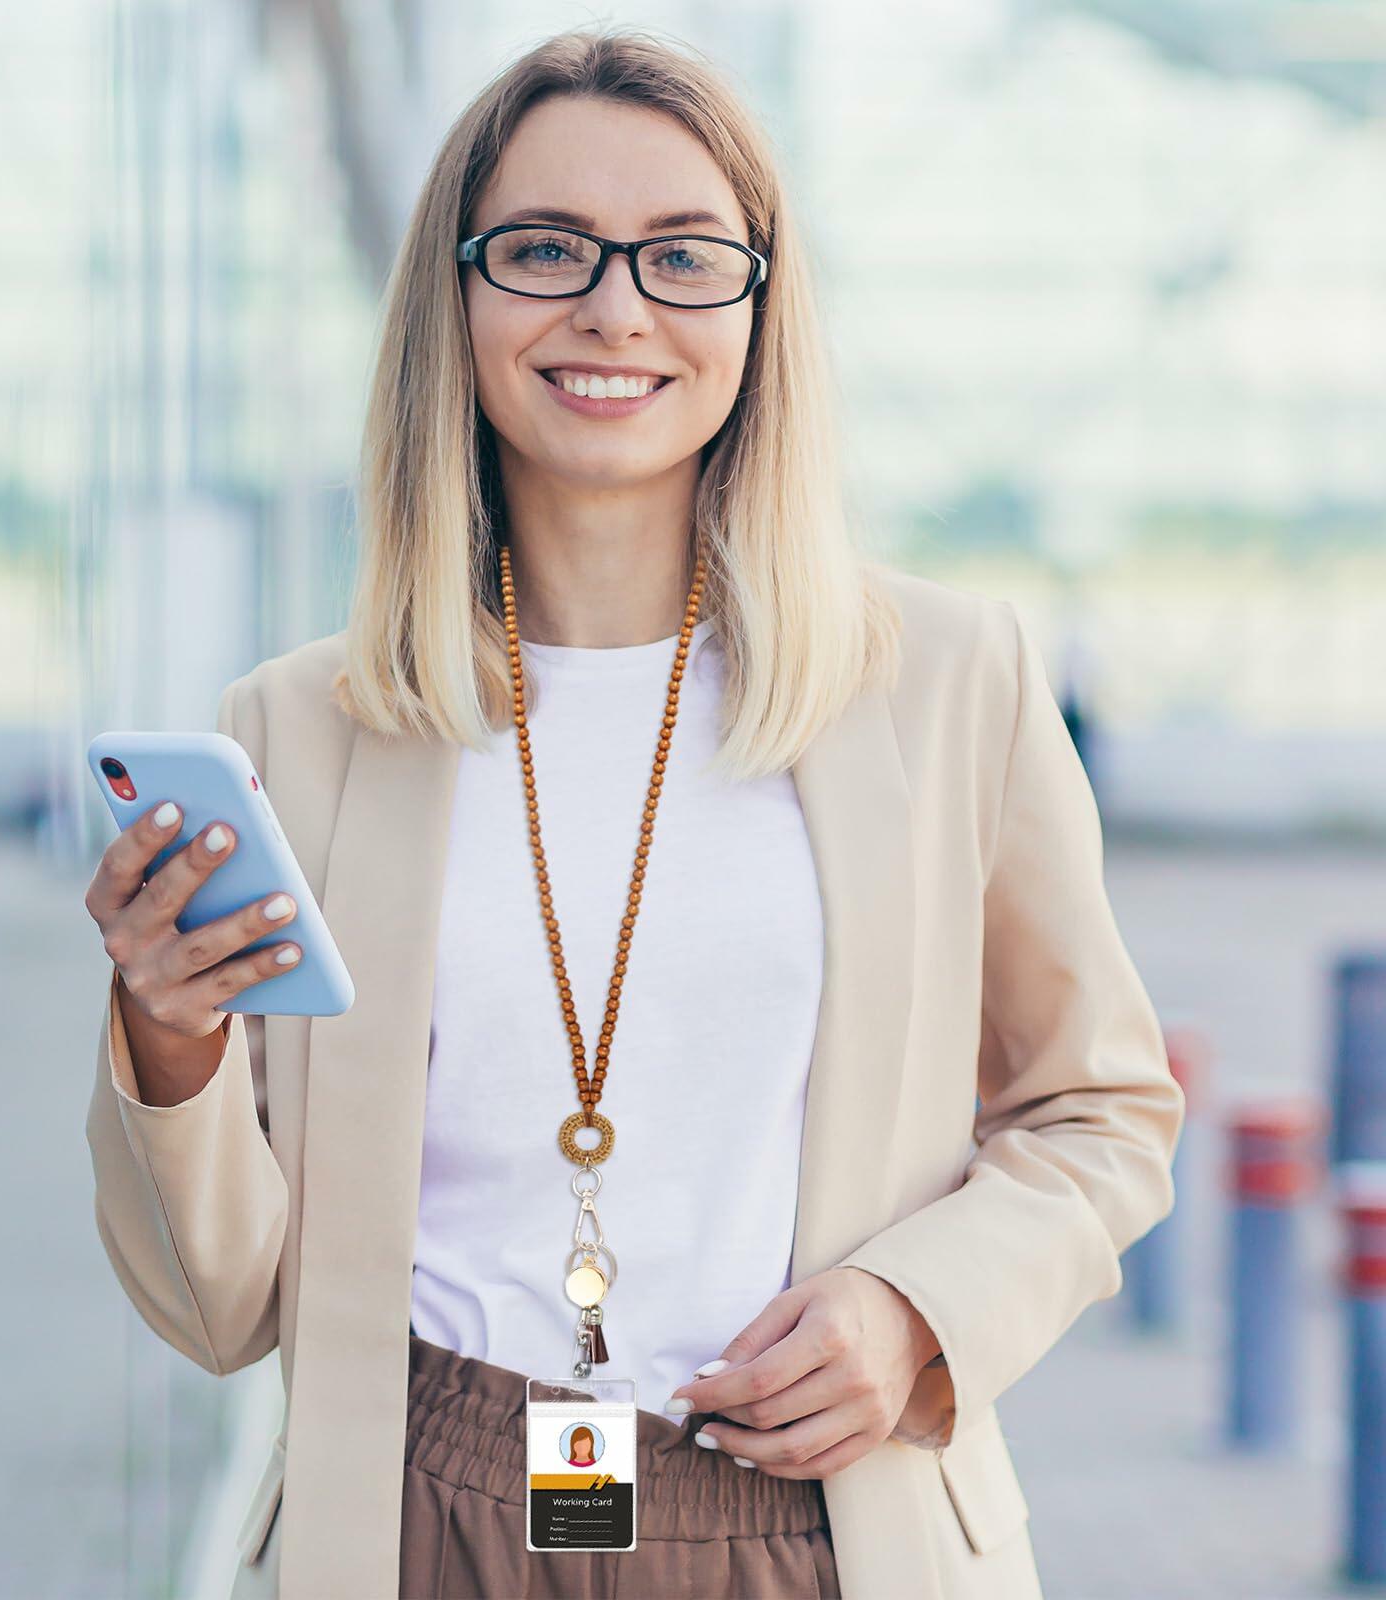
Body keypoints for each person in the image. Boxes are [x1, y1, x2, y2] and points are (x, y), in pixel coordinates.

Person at [82, 26, 1185, 1600]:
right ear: (452, 300)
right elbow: (223, 1308)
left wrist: (915, 1311)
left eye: (681, 257)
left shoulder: (947, 685)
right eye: (544, 250)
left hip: (818, 1526)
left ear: (758, 302)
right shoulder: (298, 734)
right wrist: (171, 1045)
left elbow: (1101, 1111)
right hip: (416, 1519)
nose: (612, 308)